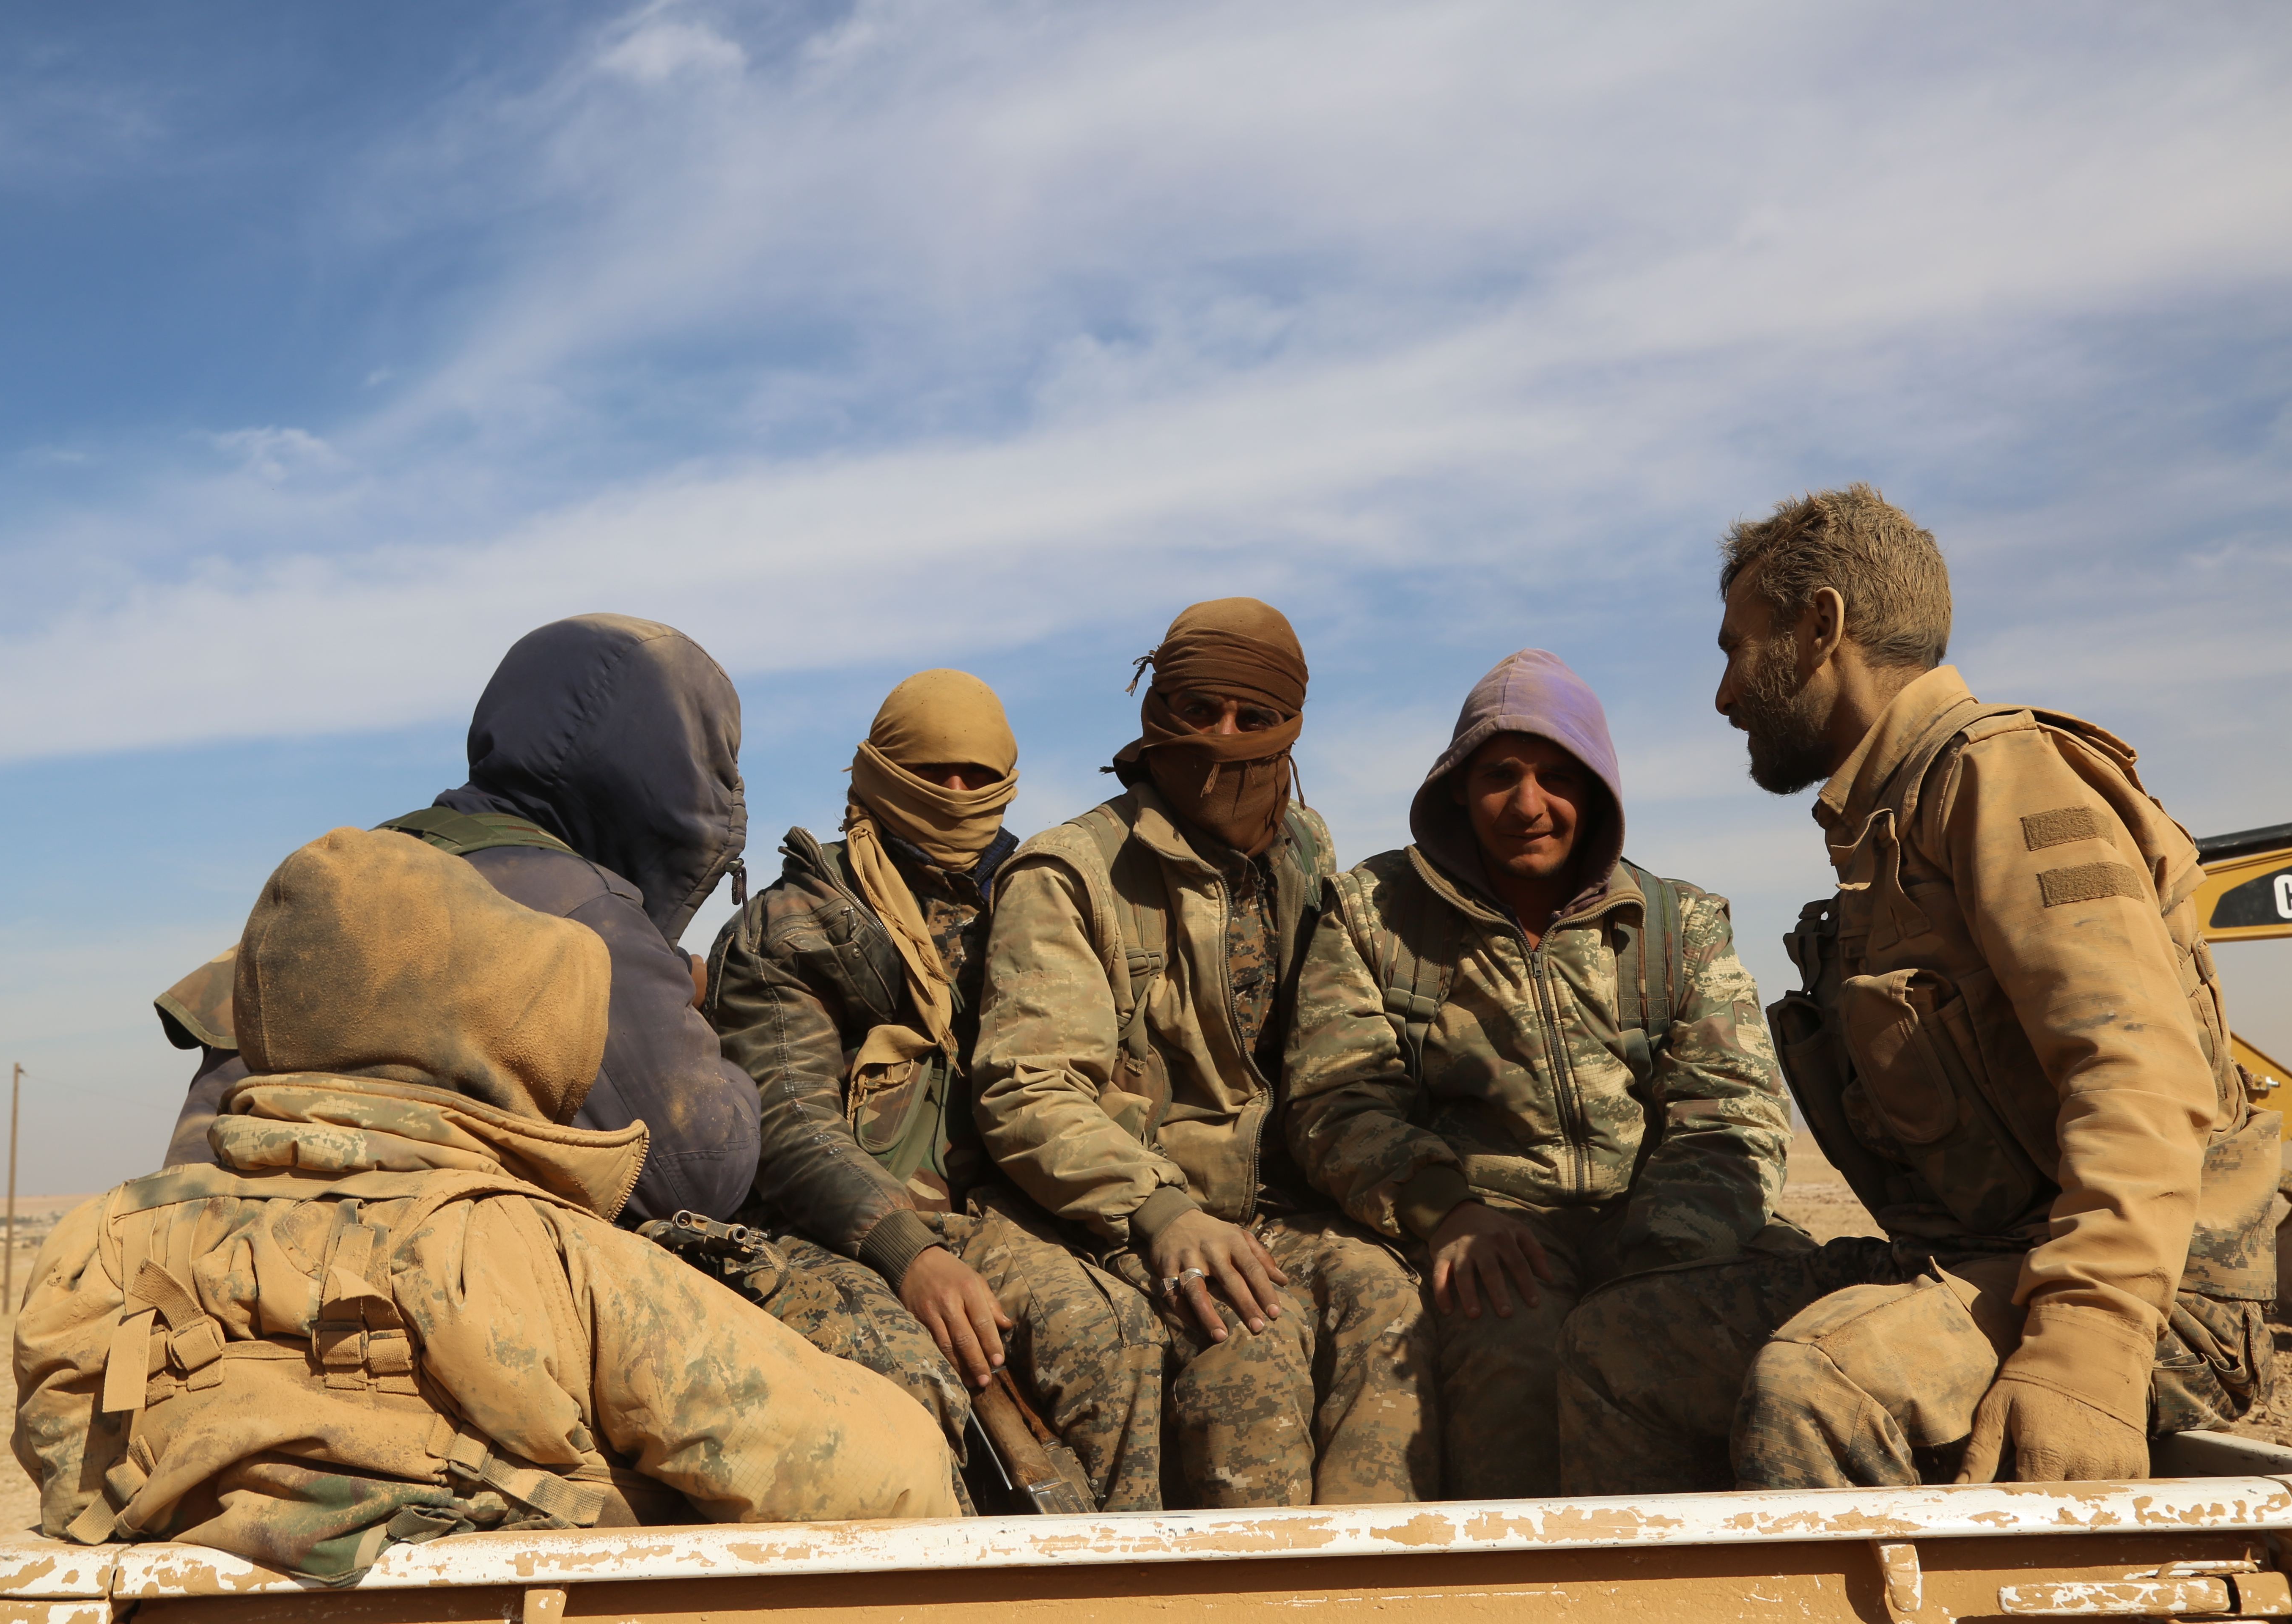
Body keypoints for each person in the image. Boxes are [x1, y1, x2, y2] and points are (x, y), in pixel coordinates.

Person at [1558, 483, 2279, 1492]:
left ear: (1821, 629)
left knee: (1817, 1387)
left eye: (1737, 648)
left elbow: (2138, 1073)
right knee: (1625, 1344)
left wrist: (2089, 1346)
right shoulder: (1886, 835)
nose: (1724, 696)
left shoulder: (2000, 779)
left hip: (2155, 1300)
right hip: (1984, 1269)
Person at [13, 828, 956, 1583]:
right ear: (482, 1031)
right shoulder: (537, 1258)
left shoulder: (98, 1246)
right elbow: (890, 1480)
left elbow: (64, 1462)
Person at [1285, 648, 1795, 1499]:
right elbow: (1335, 1099)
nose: (1529, 805)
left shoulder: (1677, 925)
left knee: (1798, 1346)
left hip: (1666, 1227)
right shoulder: (1369, 916)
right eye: (1501, 776)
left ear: (1597, 787)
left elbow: (1732, 1110)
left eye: (1558, 776)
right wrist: (1444, 1210)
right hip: (1488, 1234)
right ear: (1456, 785)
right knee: (1512, 1374)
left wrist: (1667, 1253)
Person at [973, 598, 1432, 1508]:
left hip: (1281, 1207)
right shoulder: (1070, 874)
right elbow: (1029, 1089)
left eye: (1252, 720)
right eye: (1197, 712)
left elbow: (1342, 1056)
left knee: (1391, 1309)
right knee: (1248, 1356)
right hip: (1126, 1211)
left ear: (1288, 727)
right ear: (1156, 714)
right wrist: (1161, 1211)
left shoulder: (1308, 853)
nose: (1222, 740)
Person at [706, 670, 1164, 1510]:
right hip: (837, 1229)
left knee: (1117, 1336)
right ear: (877, 771)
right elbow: (790, 1122)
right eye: (930, 772)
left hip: (1003, 1216)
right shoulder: (792, 925)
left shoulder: (1041, 899)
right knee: (907, 1378)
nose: (954, 796)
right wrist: (906, 1252)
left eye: (977, 778)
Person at [151, 614, 761, 1225]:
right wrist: (727, 1040)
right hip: (406, 1287)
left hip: (207, 1253)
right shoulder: (583, 909)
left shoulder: (359, 868)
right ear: (670, 772)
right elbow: (704, 1169)